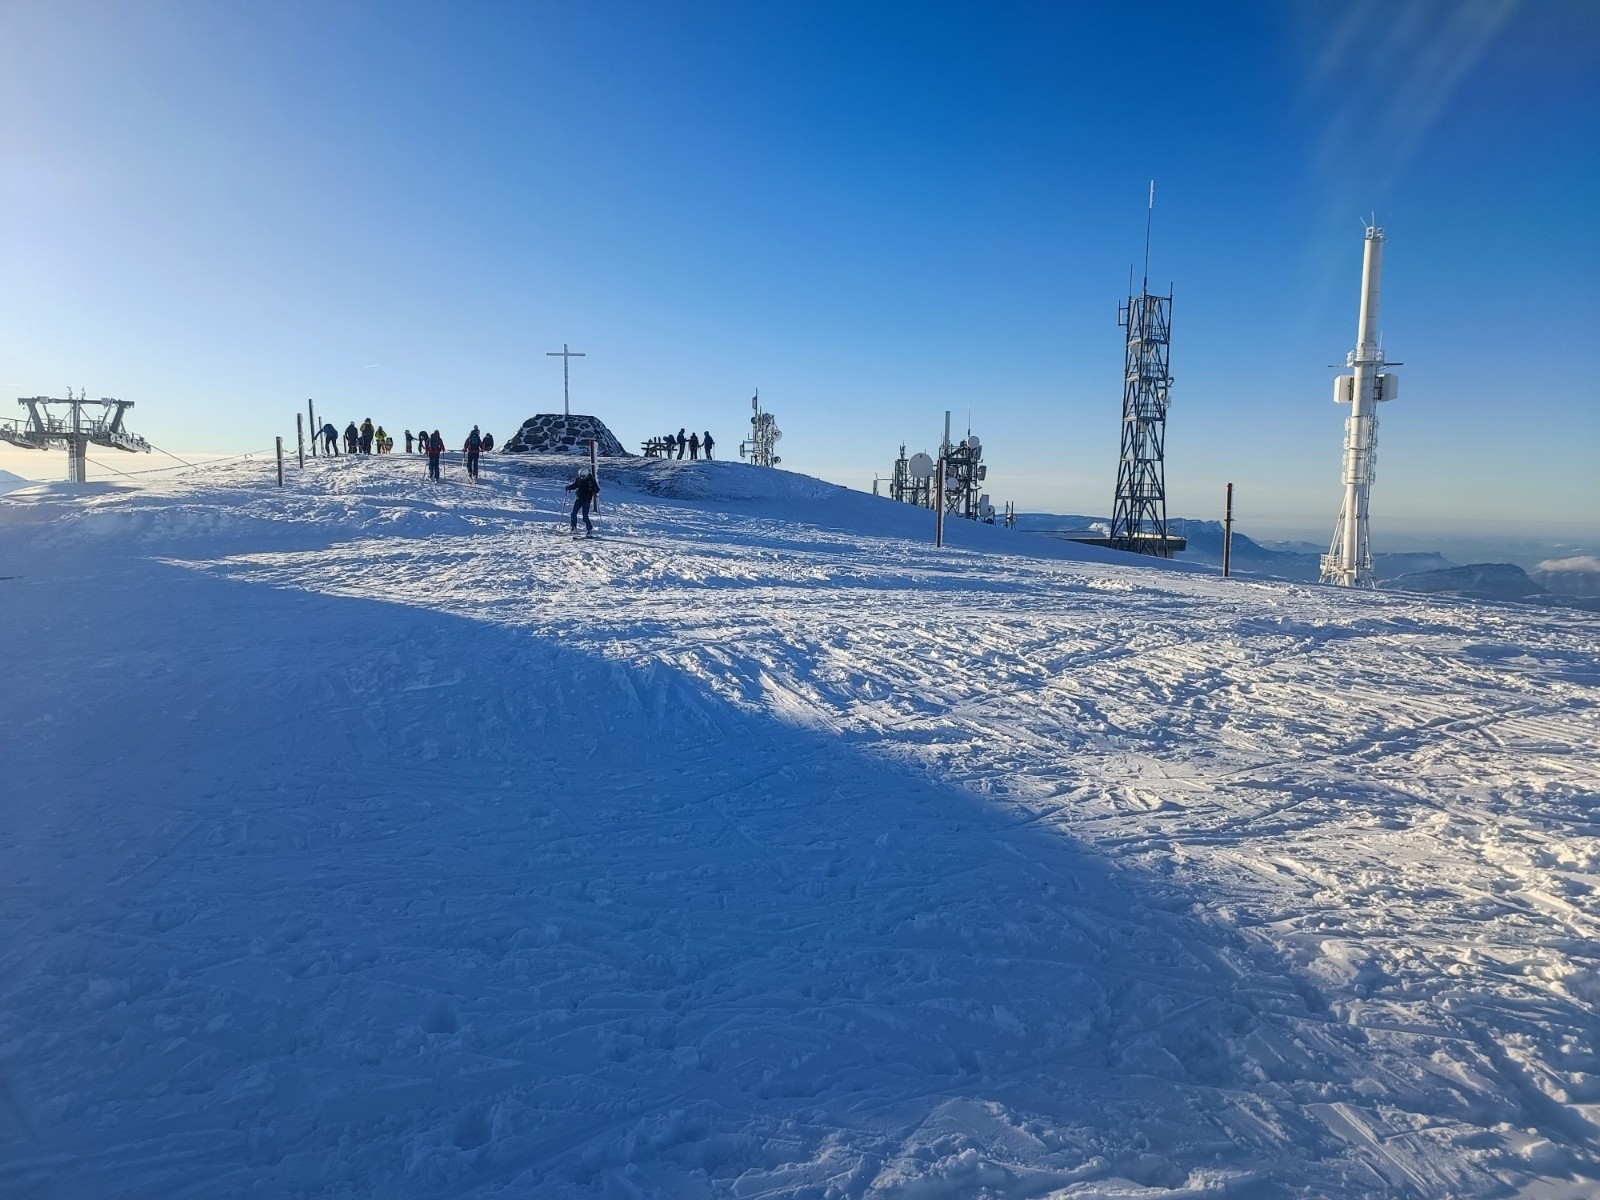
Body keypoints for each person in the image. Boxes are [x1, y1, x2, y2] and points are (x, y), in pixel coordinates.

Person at [565, 467, 600, 537]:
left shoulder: (591, 481)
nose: (581, 478)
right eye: (580, 476)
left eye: (583, 476)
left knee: (585, 517)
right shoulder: (579, 480)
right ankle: (573, 528)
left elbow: (597, 490)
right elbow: (575, 486)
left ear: (586, 475)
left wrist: (593, 488)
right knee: (573, 513)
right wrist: (568, 487)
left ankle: (589, 530)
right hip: (579, 499)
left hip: (586, 500)